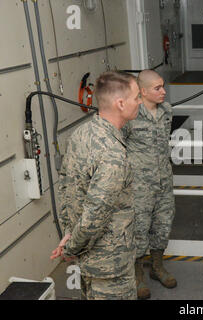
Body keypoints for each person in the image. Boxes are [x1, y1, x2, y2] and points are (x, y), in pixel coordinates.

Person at [51, 71, 141, 300]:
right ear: (120, 103)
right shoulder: (112, 153)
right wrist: (71, 249)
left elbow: (68, 192)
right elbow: (95, 215)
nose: (139, 102)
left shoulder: (82, 134)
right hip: (110, 266)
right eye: (137, 97)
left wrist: (70, 236)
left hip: (89, 261)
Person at [122, 70, 176, 300]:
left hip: (164, 181)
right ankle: (137, 276)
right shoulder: (130, 116)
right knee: (139, 230)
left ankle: (156, 268)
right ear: (142, 91)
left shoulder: (167, 111)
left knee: (163, 225)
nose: (163, 91)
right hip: (139, 186)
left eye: (163, 86)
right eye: (157, 88)